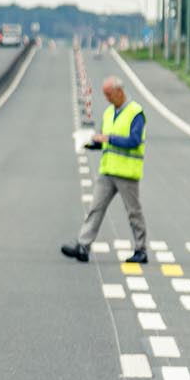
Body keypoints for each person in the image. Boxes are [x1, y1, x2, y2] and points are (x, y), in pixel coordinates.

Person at [61, 76, 149, 264]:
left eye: (109, 94)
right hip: (108, 171)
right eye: (105, 95)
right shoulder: (109, 112)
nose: (107, 98)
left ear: (119, 92)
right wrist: (89, 143)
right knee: (95, 208)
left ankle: (141, 249)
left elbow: (134, 141)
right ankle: (83, 246)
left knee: (134, 212)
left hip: (127, 172)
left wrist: (108, 139)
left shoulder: (136, 113)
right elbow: (103, 140)